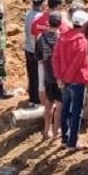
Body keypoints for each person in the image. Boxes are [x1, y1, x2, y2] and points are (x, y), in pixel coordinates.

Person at [54, 9, 88, 150]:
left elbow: (56, 59)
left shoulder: (62, 37)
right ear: (82, 24)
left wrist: (60, 77)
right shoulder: (82, 41)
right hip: (76, 80)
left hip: (64, 81)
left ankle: (65, 139)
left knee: (65, 109)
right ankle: (72, 142)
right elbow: (77, 63)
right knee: (76, 112)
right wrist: (68, 78)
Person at [37, 11, 64, 140]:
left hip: (48, 74)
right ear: (60, 24)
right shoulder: (63, 39)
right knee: (59, 105)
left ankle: (46, 130)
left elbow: (38, 57)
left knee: (48, 104)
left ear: (48, 23)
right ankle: (56, 131)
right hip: (60, 75)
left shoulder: (40, 38)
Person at [23, 0, 45, 107]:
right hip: (36, 50)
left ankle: (32, 99)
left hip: (27, 48)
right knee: (39, 76)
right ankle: (37, 100)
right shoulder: (40, 17)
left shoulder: (28, 14)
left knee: (31, 75)